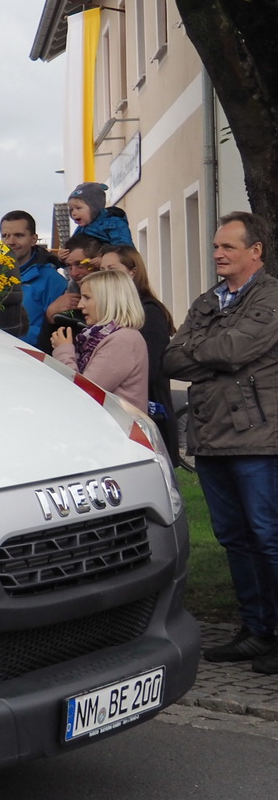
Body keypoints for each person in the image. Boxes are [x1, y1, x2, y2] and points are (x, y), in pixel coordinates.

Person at [164, 212, 278, 672]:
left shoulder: (271, 297)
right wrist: (213, 354)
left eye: (228, 246)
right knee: (234, 538)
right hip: (210, 437)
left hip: (258, 439)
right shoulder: (207, 301)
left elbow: (235, 350)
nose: (218, 254)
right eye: (215, 246)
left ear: (256, 251)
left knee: (268, 537)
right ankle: (256, 630)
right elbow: (172, 358)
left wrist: (205, 353)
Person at [97, 245, 178, 458]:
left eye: (112, 269)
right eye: (102, 270)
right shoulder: (111, 312)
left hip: (147, 415)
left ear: (132, 272)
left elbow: (148, 370)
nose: (105, 276)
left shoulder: (149, 312)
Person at [50, 270, 148, 407]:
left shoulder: (123, 340)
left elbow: (85, 393)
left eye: (87, 297)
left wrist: (63, 351)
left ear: (108, 299)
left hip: (112, 419)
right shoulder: (100, 336)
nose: (80, 305)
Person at [0, 210, 69, 347]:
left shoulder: (52, 280)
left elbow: (59, 330)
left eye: (19, 235)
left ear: (33, 239)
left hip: (30, 356)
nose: (11, 242)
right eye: (5, 236)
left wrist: (8, 335)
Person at [36, 233, 106, 350]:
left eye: (80, 265)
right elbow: (46, 350)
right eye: (69, 266)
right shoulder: (67, 300)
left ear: (97, 263)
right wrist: (50, 315)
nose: (74, 273)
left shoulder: (118, 304)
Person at [67, 181, 134, 247]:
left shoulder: (113, 223)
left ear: (93, 207)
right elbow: (73, 247)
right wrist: (65, 252)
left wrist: (107, 254)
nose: (73, 213)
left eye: (78, 208)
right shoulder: (80, 229)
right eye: (71, 210)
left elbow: (123, 246)